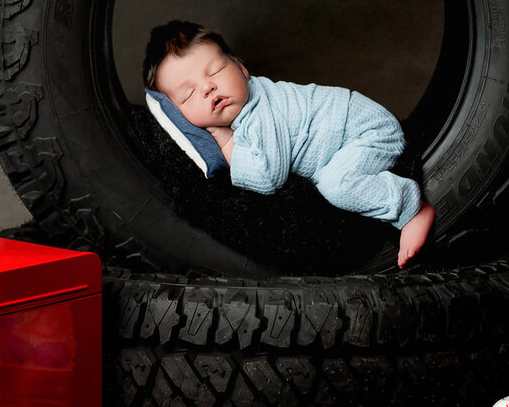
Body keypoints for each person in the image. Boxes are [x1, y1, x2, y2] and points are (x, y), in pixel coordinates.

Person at [143, 20, 436, 268]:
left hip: (367, 131)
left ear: (242, 70)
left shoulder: (260, 112)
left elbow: (266, 177)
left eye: (215, 72)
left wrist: (222, 137)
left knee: (337, 184)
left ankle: (411, 208)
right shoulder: (244, 111)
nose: (207, 88)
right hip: (351, 132)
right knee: (327, 180)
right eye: (189, 94)